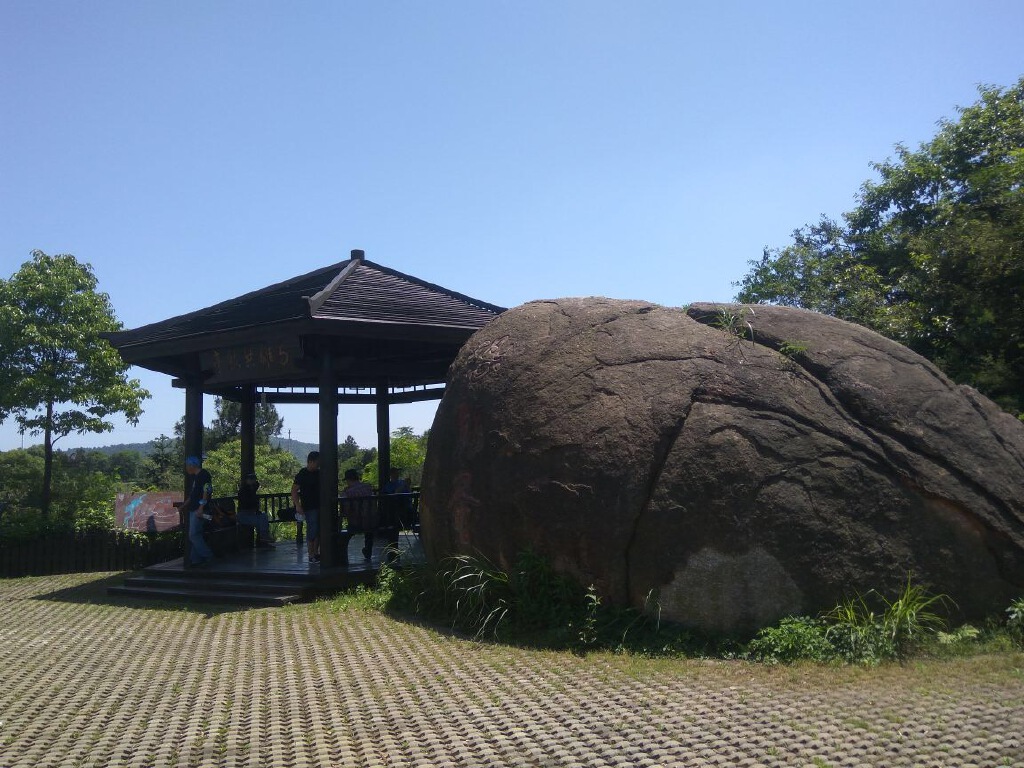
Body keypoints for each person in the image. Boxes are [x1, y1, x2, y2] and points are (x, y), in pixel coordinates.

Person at [182, 455, 214, 567]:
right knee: (197, 534)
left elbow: (206, 491)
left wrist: (201, 507)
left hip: (199, 510)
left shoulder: (204, 475)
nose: (186, 468)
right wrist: (184, 505)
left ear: (192, 465)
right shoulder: (196, 477)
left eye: (187, 465)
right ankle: (196, 560)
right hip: (195, 509)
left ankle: (208, 555)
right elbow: (193, 495)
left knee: (193, 535)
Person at [291, 451, 321, 564]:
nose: (319, 465)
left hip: (320, 506)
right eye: (317, 462)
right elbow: (294, 490)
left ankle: (316, 552)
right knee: (312, 529)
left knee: (318, 530)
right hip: (309, 507)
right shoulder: (302, 473)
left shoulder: (319, 473)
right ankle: (311, 554)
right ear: (311, 461)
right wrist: (298, 506)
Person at [340, 467, 375, 560]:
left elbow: (345, 508)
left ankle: (342, 558)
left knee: (343, 537)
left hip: (355, 522)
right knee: (369, 532)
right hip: (370, 521)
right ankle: (368, 551)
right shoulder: (368, 487)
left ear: (348, 480)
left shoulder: (348, 492)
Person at [236, 473, 276, 548]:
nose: (252, 481)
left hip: (251, 514)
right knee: (261, 520)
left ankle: (263, 539)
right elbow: (247, 502)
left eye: (253, 479)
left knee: (264, 516)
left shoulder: (252, 490)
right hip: (243, 515)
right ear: (246, 480)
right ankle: (263, 538)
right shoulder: (244, 491)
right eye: (250, 479)